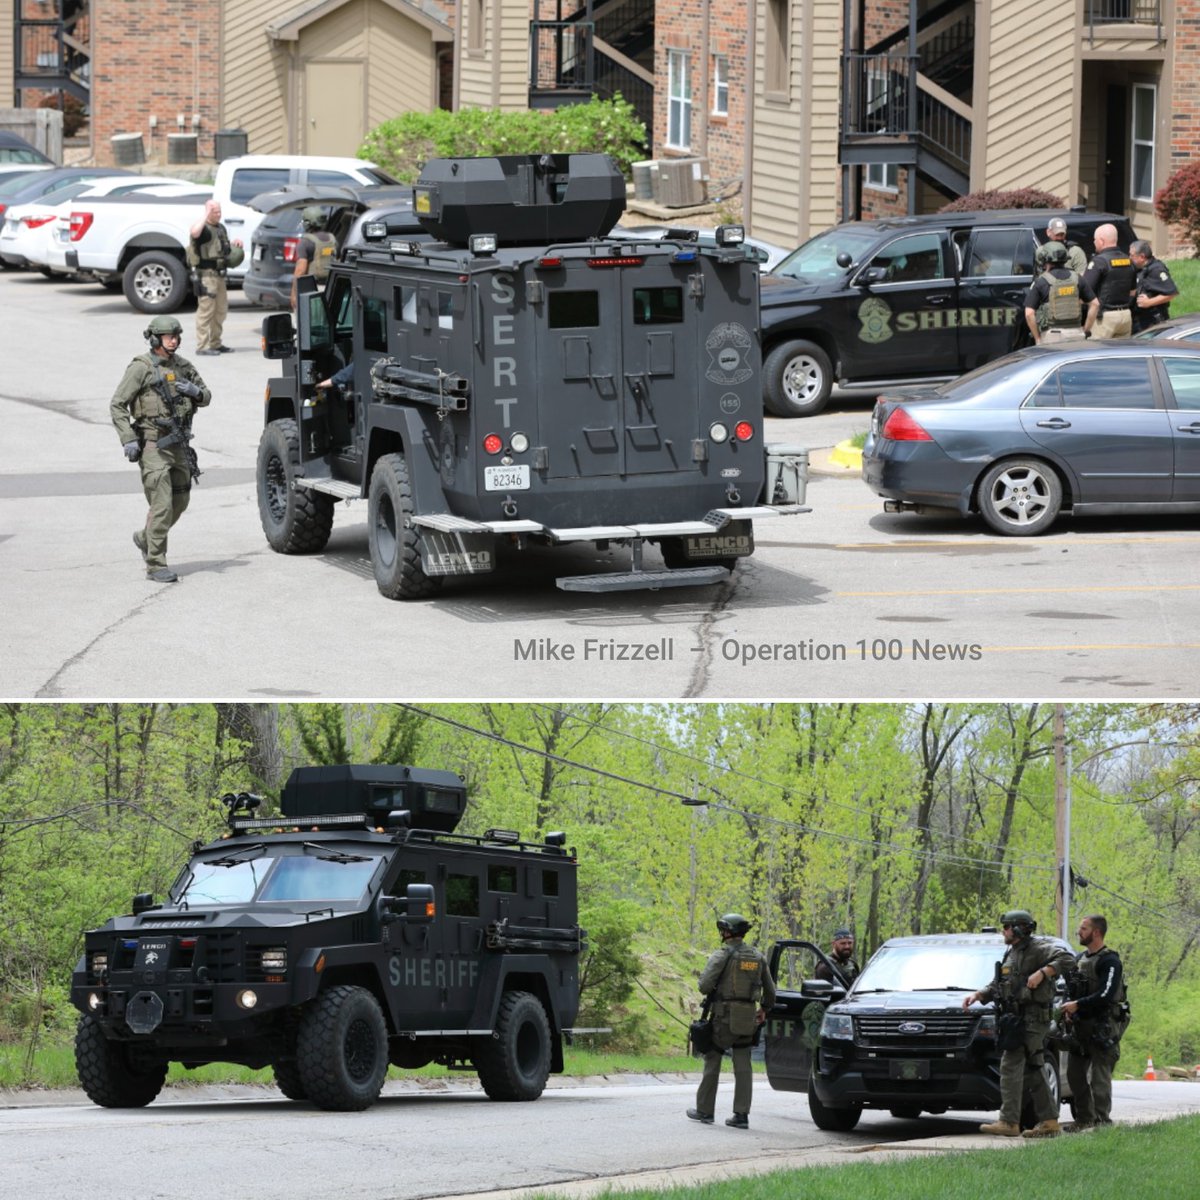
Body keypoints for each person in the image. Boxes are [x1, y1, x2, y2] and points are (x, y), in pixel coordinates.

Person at [110, 315, 211, 583]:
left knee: (180, 501)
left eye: (177, 336)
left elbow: (207, 395)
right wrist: (128, 438)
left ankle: (145, 538)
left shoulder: (183, 366)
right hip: (153, 445)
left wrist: (195, 392)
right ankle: (156, 563)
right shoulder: (141, 368)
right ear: (155, 338)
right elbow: (117, 404)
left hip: (178, 444)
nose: (174, 340)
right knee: (162, 504)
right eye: (168, 336)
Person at [962, 909, 1074, 1139]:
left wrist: (1043, 972)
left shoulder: (1038, 948)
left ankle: (1009, 1121)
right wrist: (979, 995)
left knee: (1010, 1064)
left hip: (1032, 1018)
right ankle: (1050, 1121)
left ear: (1018, 929)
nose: (1003, 931)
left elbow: (1068, 959)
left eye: (1006, 927)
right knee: (1034, 1069)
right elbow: (1000, 983)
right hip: (1016, 1018)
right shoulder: (1011, 953)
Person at [687, 913, 777, 1130]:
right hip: (748, 1017)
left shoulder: (723, 955)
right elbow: (771, 992)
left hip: (724, 1018)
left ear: (727, 932)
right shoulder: (757, 957)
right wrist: (763, 1009)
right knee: (743, 1064)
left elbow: (704, 986)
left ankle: (705, 1111)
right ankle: (741, 1115)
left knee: (713, 1057)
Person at [1060, 915, 1128, 1131]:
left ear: (1096, 932)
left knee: (1100, 1077)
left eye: (1084, 928)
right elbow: (1070, 990)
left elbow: (1106, 994)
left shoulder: (1110, 961)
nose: (1079, 932)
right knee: (1074, 1074)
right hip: (1081, 1028)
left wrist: (1078, 1004)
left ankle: (1101, 1121)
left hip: (1103, 1027)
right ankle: (1084, 1118)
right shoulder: (1080, 959)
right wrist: (1068, 1009)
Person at [188, 199, 243, 355]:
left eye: (219, 211)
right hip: (206, 276)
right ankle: (202, 346)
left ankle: (216, 343)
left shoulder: (220, 228)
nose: (218, 214)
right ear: (207, 212)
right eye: (214, 212)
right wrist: (206, 215)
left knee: (221, 311)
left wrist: (235, 244)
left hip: (219, 276)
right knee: (206, 311)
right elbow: (194, 232)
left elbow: (222, 248)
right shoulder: (202, 228)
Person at [1024, 241, 1099, 344]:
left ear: (1044, 258)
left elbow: (1029, 313)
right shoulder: (1077, 278)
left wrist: (1037, 338)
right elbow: (1095, 304)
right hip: (1076, 335)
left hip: (1052, 337)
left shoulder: (1041, 281)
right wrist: (1086, 329)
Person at [1082, 223, 1135, 340]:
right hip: (1125, 316)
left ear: (1101, 241)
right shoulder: (1128, 260)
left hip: (1105, 318)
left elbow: (1085, 291)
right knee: (1121, 355)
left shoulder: (1098, 262)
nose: (1094, 242)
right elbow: (1132, 292)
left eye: (1095, 240)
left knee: (1098, 354)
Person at [290, 206, 339, 311]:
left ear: (308, 223)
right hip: (331, 287)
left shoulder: (305, 242)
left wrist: (293, 294)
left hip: (313, 289)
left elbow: (300, 271)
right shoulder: (332, 239)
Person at [1130, 240, 1179, 333]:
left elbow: (1172, 293)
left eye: (1132, 255)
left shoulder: (1156, 269)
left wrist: (1149, 302)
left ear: (1142, 257)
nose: (1130, 258)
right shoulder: (1139, 268)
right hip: (1139, 320)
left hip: (1153, 322)